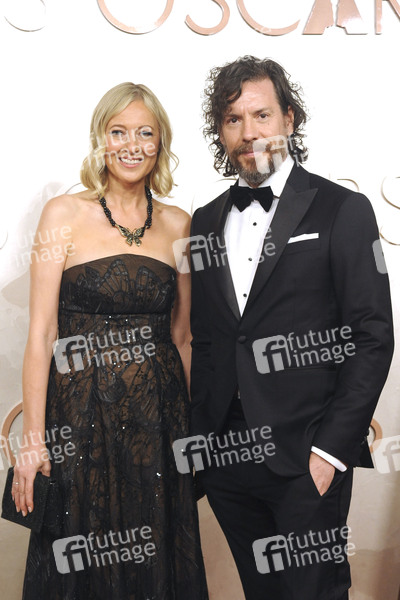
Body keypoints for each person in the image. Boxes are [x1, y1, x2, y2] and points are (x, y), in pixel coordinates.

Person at [188, 56, 394, 599]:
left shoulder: (343, 209)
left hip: (307, 457)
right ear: (220, 131)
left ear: (289, 118)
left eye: (262, 115)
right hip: (227, 459)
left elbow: (372, 335)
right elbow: (207, 338)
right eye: (233, 119)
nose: (249, 132)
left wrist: (330, 453)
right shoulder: (204, 220)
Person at [12, 82, 209, 600]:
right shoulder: (62, 214)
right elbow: (42, 334)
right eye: (118, 131)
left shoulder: (180, 224)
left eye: (145, 133)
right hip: (79, 420)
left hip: (159, 420)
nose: (131, 145)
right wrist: (32, 441)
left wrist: (192, 435)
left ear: (161, 142)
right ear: (100, 139)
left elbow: (183, 337)